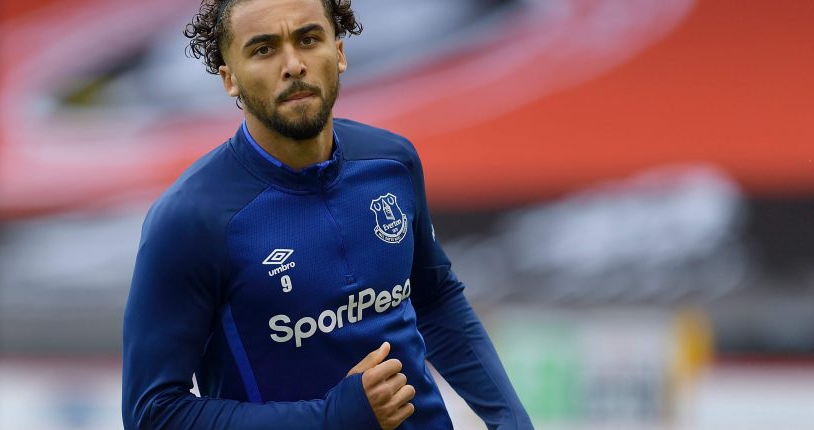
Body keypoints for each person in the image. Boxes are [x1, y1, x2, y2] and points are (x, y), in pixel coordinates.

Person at [122, 0, 534, 428]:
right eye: (264, 49)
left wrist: (512, 420)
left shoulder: (392, 162)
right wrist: (329, 418)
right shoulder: (191, 217)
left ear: (338, 52)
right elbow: (153, 413)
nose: (293, 65)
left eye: (308, 39)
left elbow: (434, 298)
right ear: (230, 78)